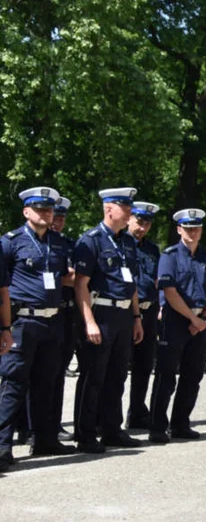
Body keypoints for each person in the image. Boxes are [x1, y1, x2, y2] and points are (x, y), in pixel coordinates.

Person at [0, 187, 75, 468]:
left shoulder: (59, 243)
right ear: (26, 212)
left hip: (52, 321)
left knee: (48, 384)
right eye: (40, 209)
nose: (47, 214)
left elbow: (68, 277)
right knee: (13, 384)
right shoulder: (10, 242)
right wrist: (4, 327)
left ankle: (44, 440)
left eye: (50, 209)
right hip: (22, 322)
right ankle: (2, 445)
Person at [72, 187, 144, 452]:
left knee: (117, 376)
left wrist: (136, 316)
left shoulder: (127, 242)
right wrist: (89, 321)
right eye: (126, 209)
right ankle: (86, 433)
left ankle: (112, 429)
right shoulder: (90, 240)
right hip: (100, 312)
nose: (129, 215)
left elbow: (132, 282)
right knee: (94, 376)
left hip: (124, 314)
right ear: (110, 209)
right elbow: (81, 285)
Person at [148, 209, 206, 444]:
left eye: (196, 228)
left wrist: (204, 318)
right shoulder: (170, 255)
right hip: (176, 320)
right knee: (166, 376)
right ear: (179, 230)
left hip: (200, 322)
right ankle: (157, 426)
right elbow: (169, 291)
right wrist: (192, 319)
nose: (193, 232)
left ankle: (180, 424)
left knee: (193, 376)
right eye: (188, 228)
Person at [126, 201, 161, 429]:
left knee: (144, 365)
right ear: (129, 218)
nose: (142, 227)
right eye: (139, 222)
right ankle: (103, 417)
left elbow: (157, 280)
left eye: (147, 223)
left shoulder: (152, 249)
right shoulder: (121, 244)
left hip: (149, 311)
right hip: (124, 312)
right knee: (116, 368)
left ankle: (137, 411)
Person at [51, 197, 77, 441]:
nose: (57, 222)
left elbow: (77, 277)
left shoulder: (68, 245)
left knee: (59, 371)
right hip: (43, 311)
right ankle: (26, 424)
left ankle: (53, 422)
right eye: (54, 216)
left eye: (61, 218)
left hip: (66, 312)